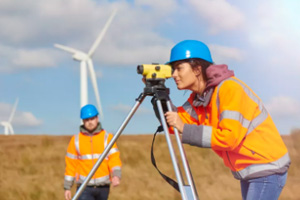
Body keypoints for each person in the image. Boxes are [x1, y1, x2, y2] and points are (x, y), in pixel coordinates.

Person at [163, 40, 290, 200]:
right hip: (249, 170)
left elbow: (229, 138)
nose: (174, 75)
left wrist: (184, 128)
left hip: (266, 167)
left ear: (196, 69)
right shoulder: (199, 99)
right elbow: (173, 125)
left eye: (179, 68)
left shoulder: (229, 89)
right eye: (173, 69)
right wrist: (160, 95)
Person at [64, 104, 122, 200]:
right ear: (83, 121)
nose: (89, 122)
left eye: (92, 119)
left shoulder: (107, 138)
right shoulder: (76, 140)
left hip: (103, 187)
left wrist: (116, 175)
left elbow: (114, 158)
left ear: (97, 118)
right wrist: (67, 187)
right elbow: (70, 165)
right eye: (86, 120)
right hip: (84, 187)